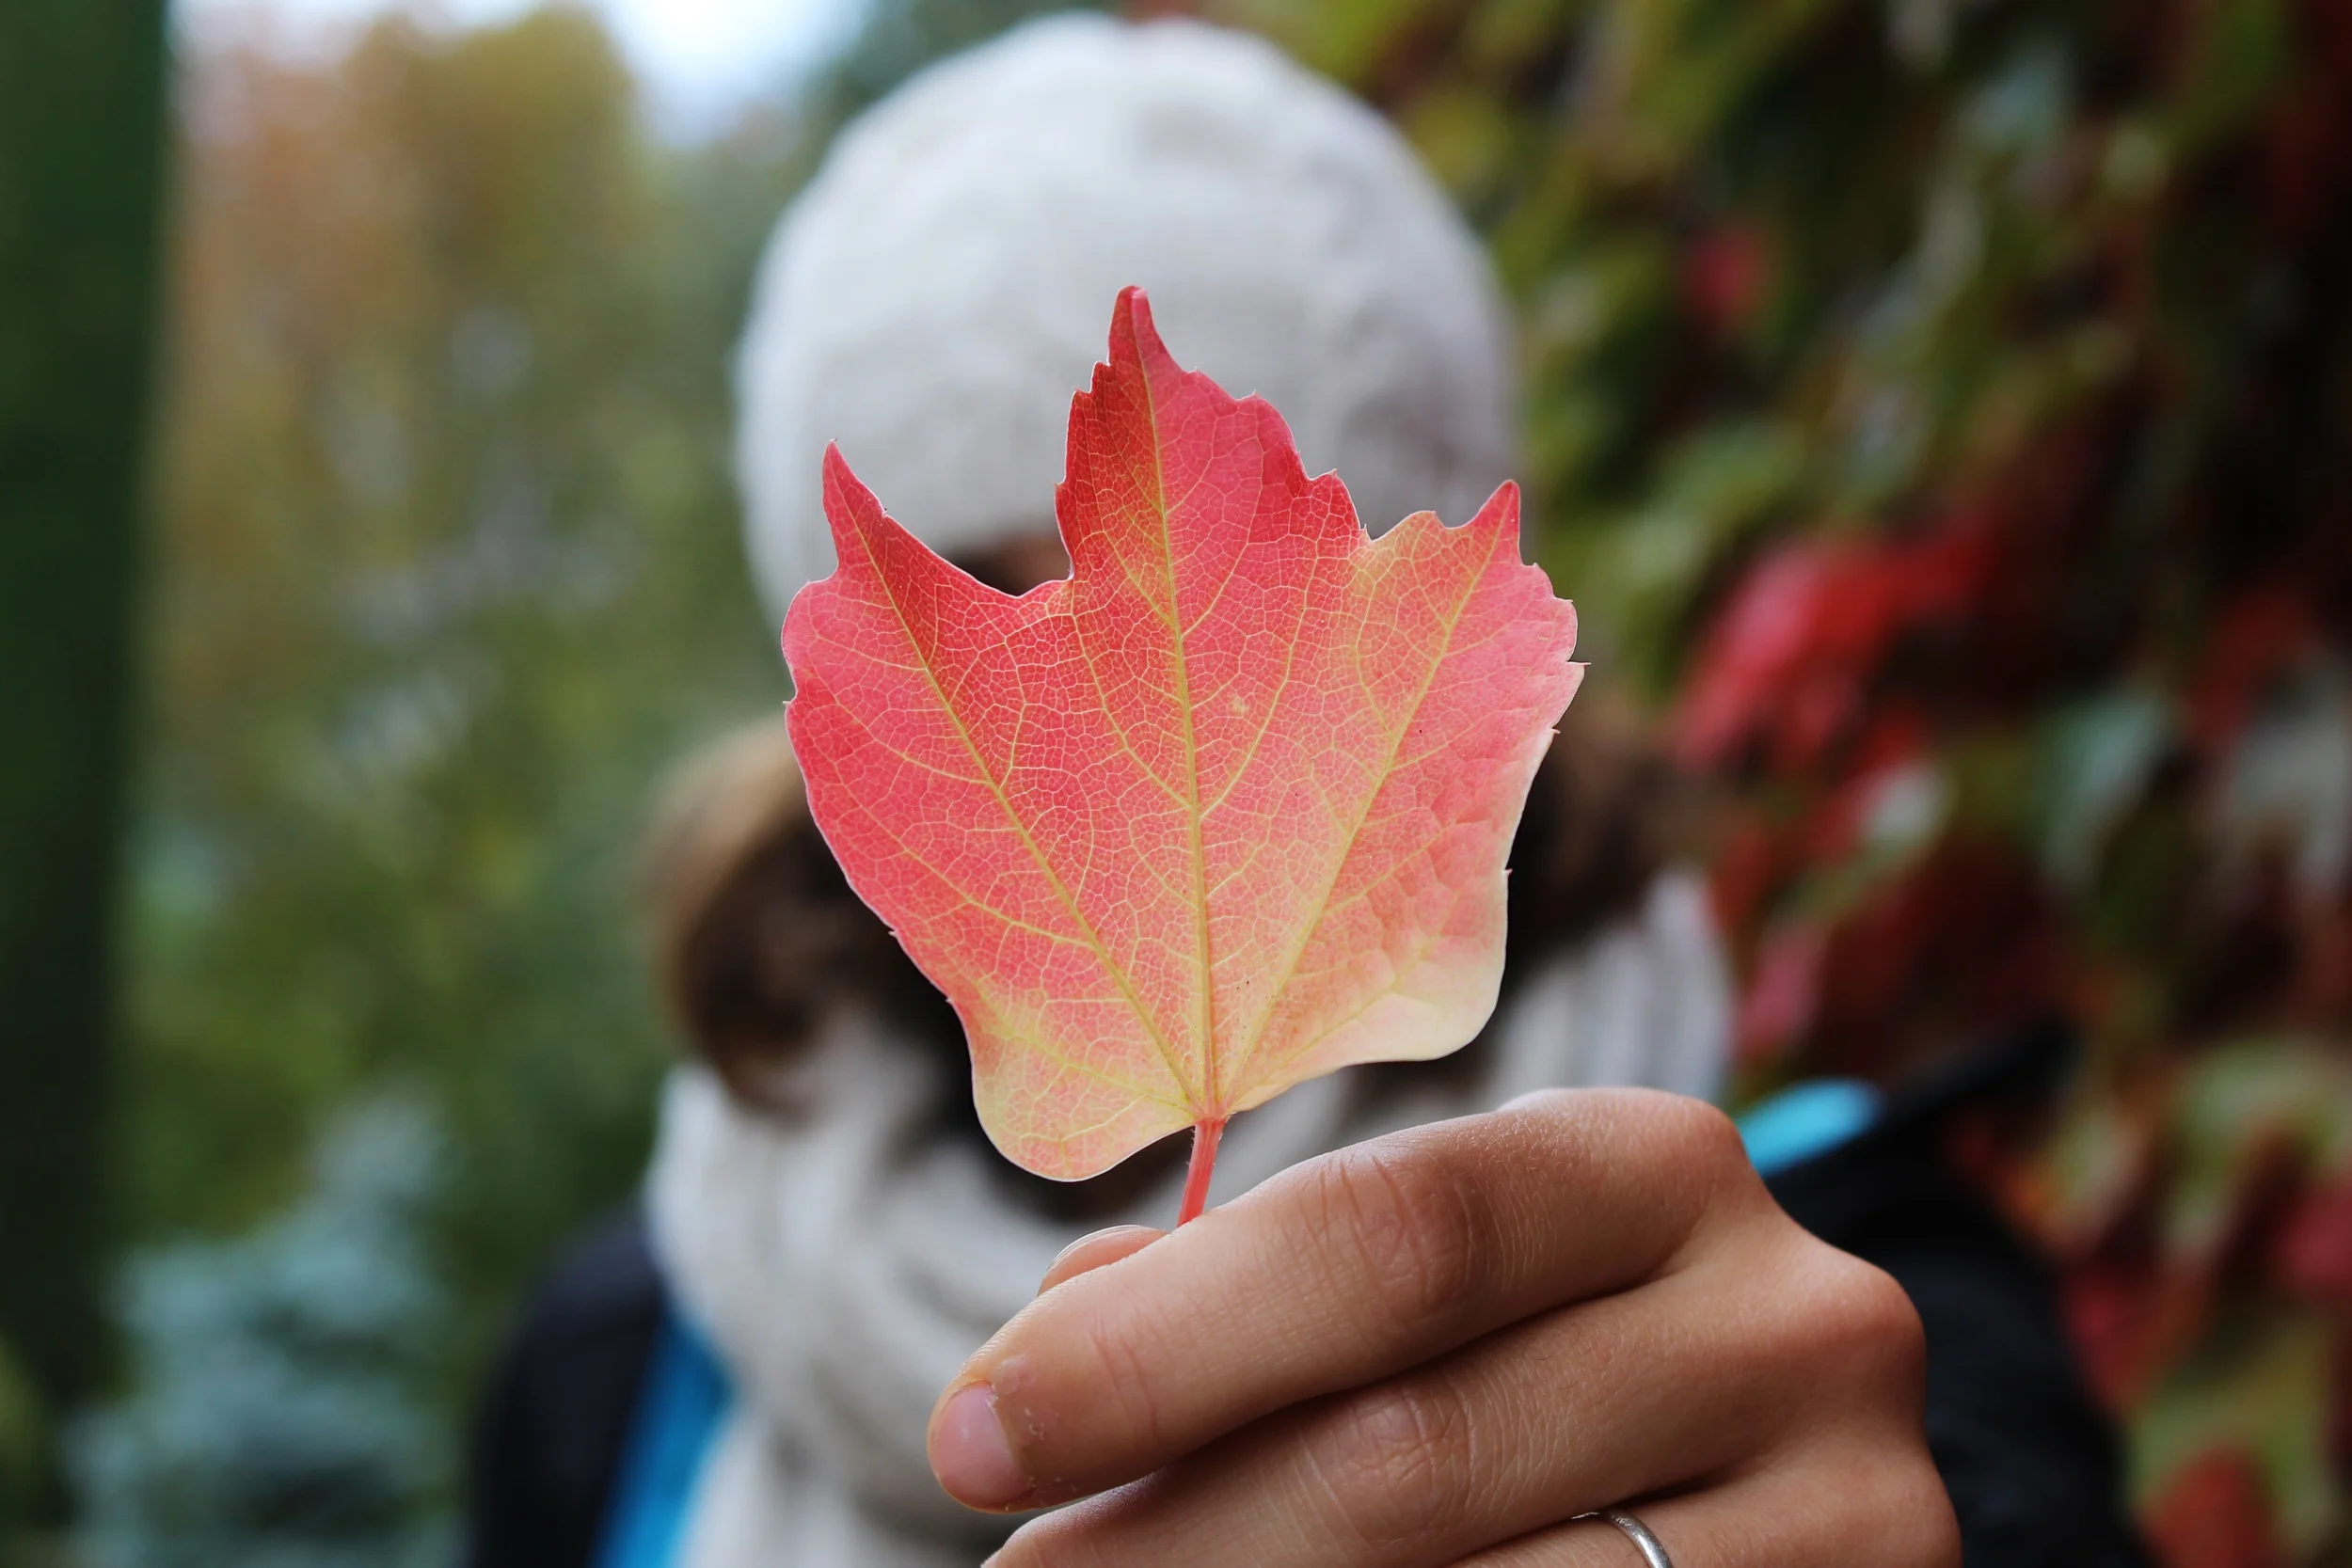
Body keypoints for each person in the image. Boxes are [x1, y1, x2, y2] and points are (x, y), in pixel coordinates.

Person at [462, 17, 2147, 1568]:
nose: (1138, 769)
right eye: (1008, 636)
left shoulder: (1835, 1291)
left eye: (1248, 635)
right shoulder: (611, 1372)